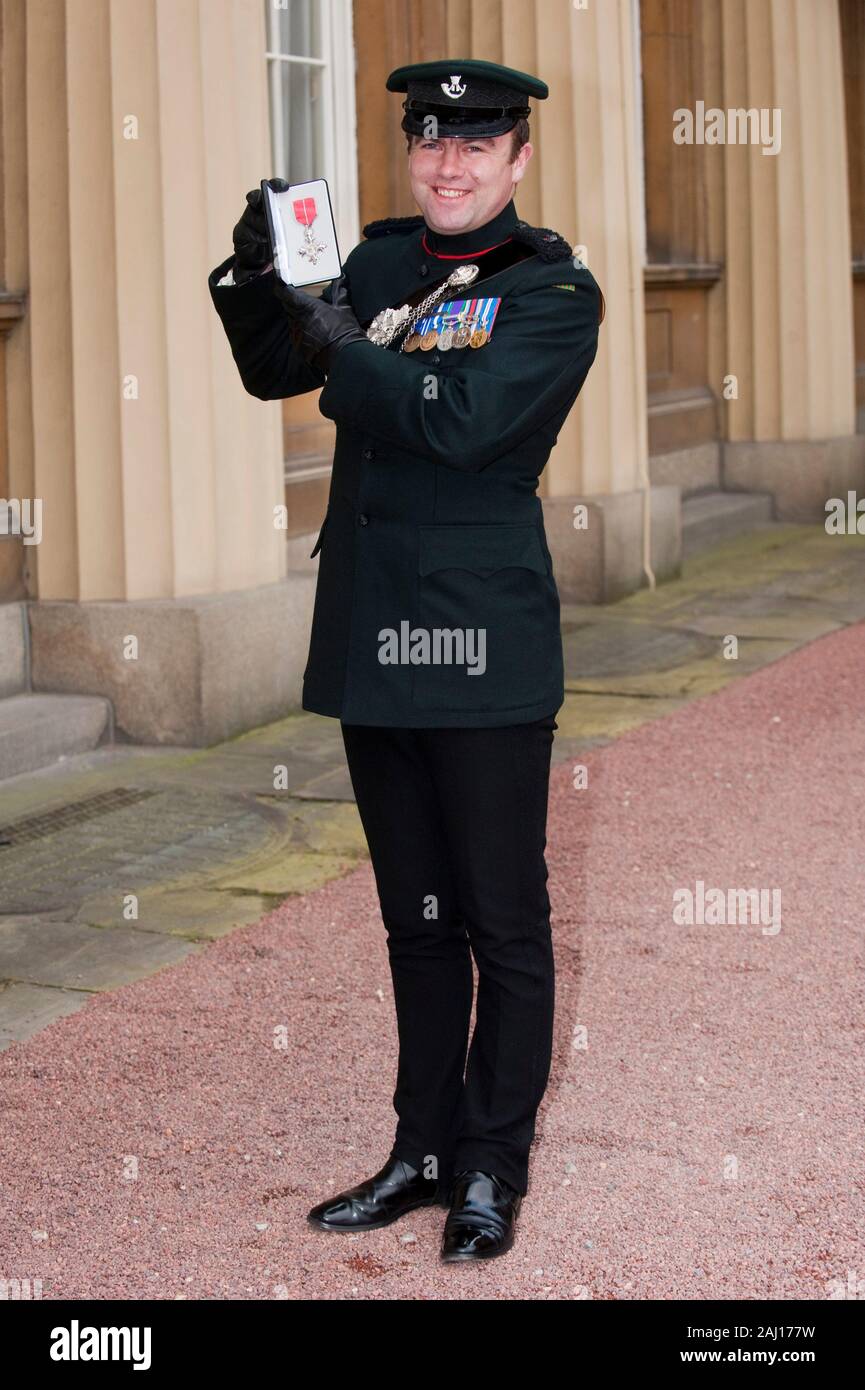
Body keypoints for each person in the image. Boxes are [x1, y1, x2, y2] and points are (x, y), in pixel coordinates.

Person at [208, 58, 603, 1263]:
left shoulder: (551, 290)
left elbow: (462, 425)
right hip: (375, 636)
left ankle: (492, 1167)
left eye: (476, 147)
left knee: (501, 919)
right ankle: (420, 1152)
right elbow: (276, 365)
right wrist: (256, 274)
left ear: (517, 158)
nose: (448, 165)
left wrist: (345, 343)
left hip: (481, 644)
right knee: (416, 921)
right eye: (431, 143)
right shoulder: (378, 262)